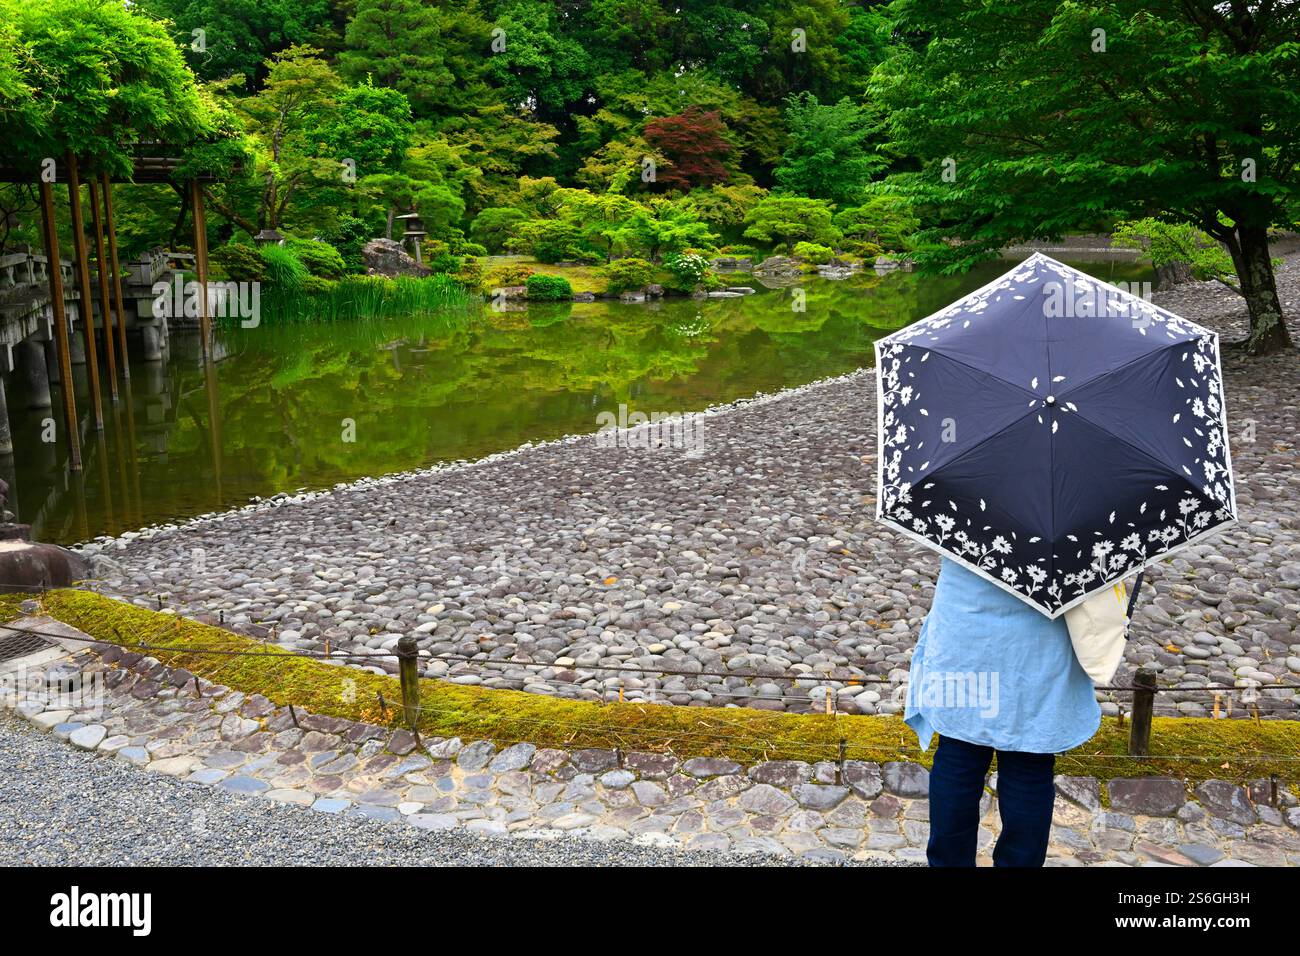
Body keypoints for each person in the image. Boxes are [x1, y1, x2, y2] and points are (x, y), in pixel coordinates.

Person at [905, 556, 1100, 867]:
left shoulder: (963, 507)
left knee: (959, 753)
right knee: (1029, 760)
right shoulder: (1073, 509)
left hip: (966, 630)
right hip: (1040, 638)